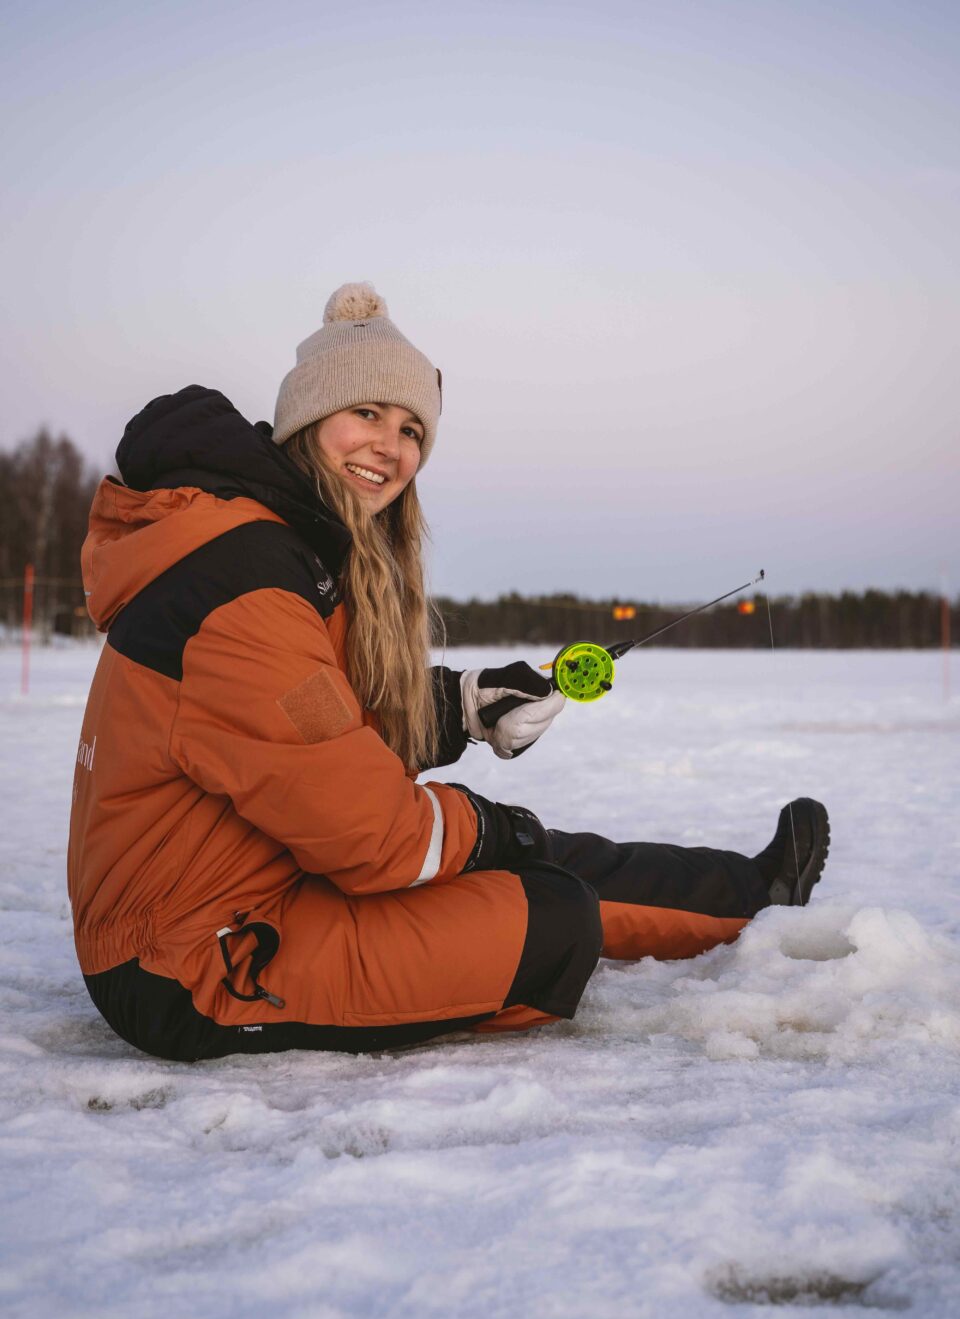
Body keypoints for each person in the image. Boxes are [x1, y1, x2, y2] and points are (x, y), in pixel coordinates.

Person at [67, 283, 830, 1062]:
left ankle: (750, 895)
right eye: (365, 413)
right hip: (193, 960)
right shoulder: (243, 582)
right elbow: (371, 836)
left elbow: (318, 720)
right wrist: (497, 829)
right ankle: (728, 902)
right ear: (307, 418)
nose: (391, 449)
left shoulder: (280, 550)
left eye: (410, 430)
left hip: (273, 877)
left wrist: (465, 705)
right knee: (550, 914)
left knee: (530, 856)